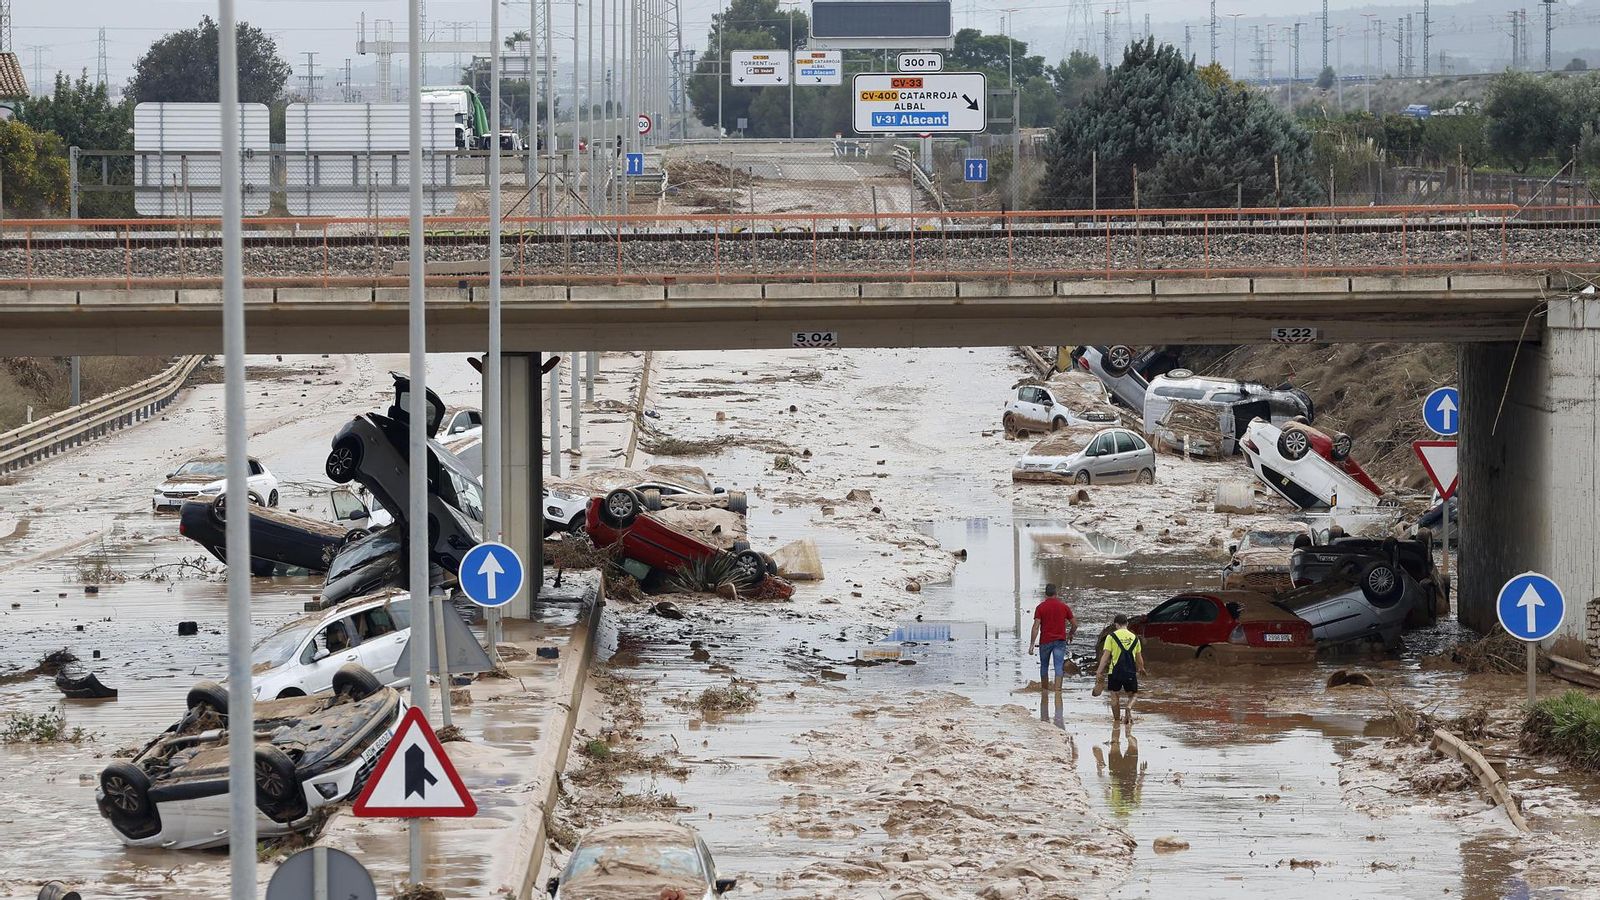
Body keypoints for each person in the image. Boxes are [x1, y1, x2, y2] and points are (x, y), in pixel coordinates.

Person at [1096, 614, 1146, 726]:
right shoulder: (1135, 638)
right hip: (1130, 672)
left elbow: (1105, 657)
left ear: (1116, 625)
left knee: (1114, 696)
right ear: (1127, 624)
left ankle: (1117, 721)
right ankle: (1129, 707)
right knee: (1133, 695)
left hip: (1115, 672)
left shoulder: (1111, 637)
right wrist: (1141, 668)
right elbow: (1139, 657)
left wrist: (1099, 671)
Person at [1027, 583, 1077, 691]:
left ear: (1045, 594)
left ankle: (1044, 691)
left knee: (1044, 666)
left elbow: (1035, 627)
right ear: (1056, 593)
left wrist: (1031, 645)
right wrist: (1070, 634)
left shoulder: (1040, 608)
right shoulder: (1064, 607)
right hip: (1060, 641)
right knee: (1058, 666)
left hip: (1045, 641)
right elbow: (1074, 624)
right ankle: (1058, 691)